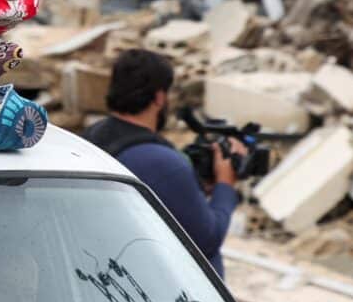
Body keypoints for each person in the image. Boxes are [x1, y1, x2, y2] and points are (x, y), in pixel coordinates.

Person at [84, 49, 238, 276]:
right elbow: (207, 240)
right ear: (159, 97)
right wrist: (226, 184)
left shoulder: (88, 137)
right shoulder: (163, 162)